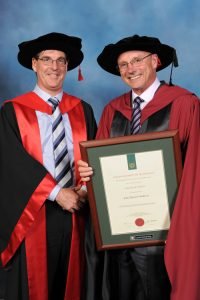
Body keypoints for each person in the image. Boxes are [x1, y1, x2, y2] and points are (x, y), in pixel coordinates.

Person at [78, 35, 200, 300]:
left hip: (165, 236)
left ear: (155, 61)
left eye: (136, 60)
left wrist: (183, 225)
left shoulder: (183, 103)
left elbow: (195, 171)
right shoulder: (113, 109)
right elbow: (98, 169)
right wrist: (88, 176)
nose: (130, 68)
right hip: (119, 236)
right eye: (123, 64)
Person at [0, 32, 97, 300]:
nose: (54, 67)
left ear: (68, 66)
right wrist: (57, 193)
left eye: (61, 61)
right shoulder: (12, 111)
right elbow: (11, 164)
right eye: (47, 59)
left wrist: (87, 189)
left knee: (74, 284)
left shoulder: (83, 110)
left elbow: (94, 158)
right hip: (32, 215)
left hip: (78, 214)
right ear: (34, 64)